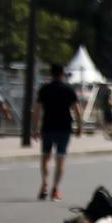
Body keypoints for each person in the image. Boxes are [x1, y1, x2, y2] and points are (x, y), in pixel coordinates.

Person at [35, 63, 83, 201]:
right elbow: (77, 110)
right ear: (62, 74)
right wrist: (80, 127)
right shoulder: (68, 89)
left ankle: (44, 183)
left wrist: (34, 128)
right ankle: (55, 189)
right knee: (60, 159)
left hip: (48, 126)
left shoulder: (44, 89)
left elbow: (37, 109)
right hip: (64, 127)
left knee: (45, 157)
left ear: (51, 74)